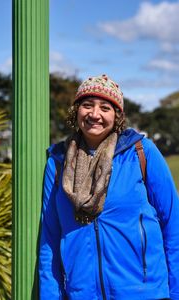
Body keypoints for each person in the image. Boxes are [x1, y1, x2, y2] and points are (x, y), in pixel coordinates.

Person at [39, 74, 179, 300]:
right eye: (87, 105)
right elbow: (50, 238)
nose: (95, 114)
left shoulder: (141, 153)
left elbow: (173, 225)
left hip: (142, 292)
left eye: (105, 107)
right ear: (77, 111)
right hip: (81, 294)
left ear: (117, 116)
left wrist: (175, 293)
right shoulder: (57, 162)